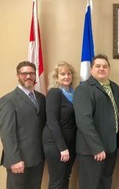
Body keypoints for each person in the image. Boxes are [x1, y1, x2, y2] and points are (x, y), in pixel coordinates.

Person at [74, 54, 119, 189]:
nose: (101, 69)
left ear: (109, 69)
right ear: (91, 70)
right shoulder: (83, 89)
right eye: (98, 66)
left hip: (111, 147)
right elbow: (84, 121)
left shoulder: (115, 87)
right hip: (92, 150)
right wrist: (96, 148)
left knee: (105, 183)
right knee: (90, 185)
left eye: (105, 66)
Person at [0, 61, 46, 189]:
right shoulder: (8, 100)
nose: (28, 76)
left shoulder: (41, 98)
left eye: (31, 73)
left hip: (37, 158)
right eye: (24, 73)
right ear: (18, 76)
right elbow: (7, 133)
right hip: (19, 160)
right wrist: (14, 159)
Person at [42, 61, 77, 189]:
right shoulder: (54, 93)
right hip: (56, 144)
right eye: (62, 74)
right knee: (57, 181)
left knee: (65, 177)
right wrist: (62, 148)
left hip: (70, 144)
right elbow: (52, 122)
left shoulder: (74, 93)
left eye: (69, 74)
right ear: (56, 77)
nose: (66, 77)